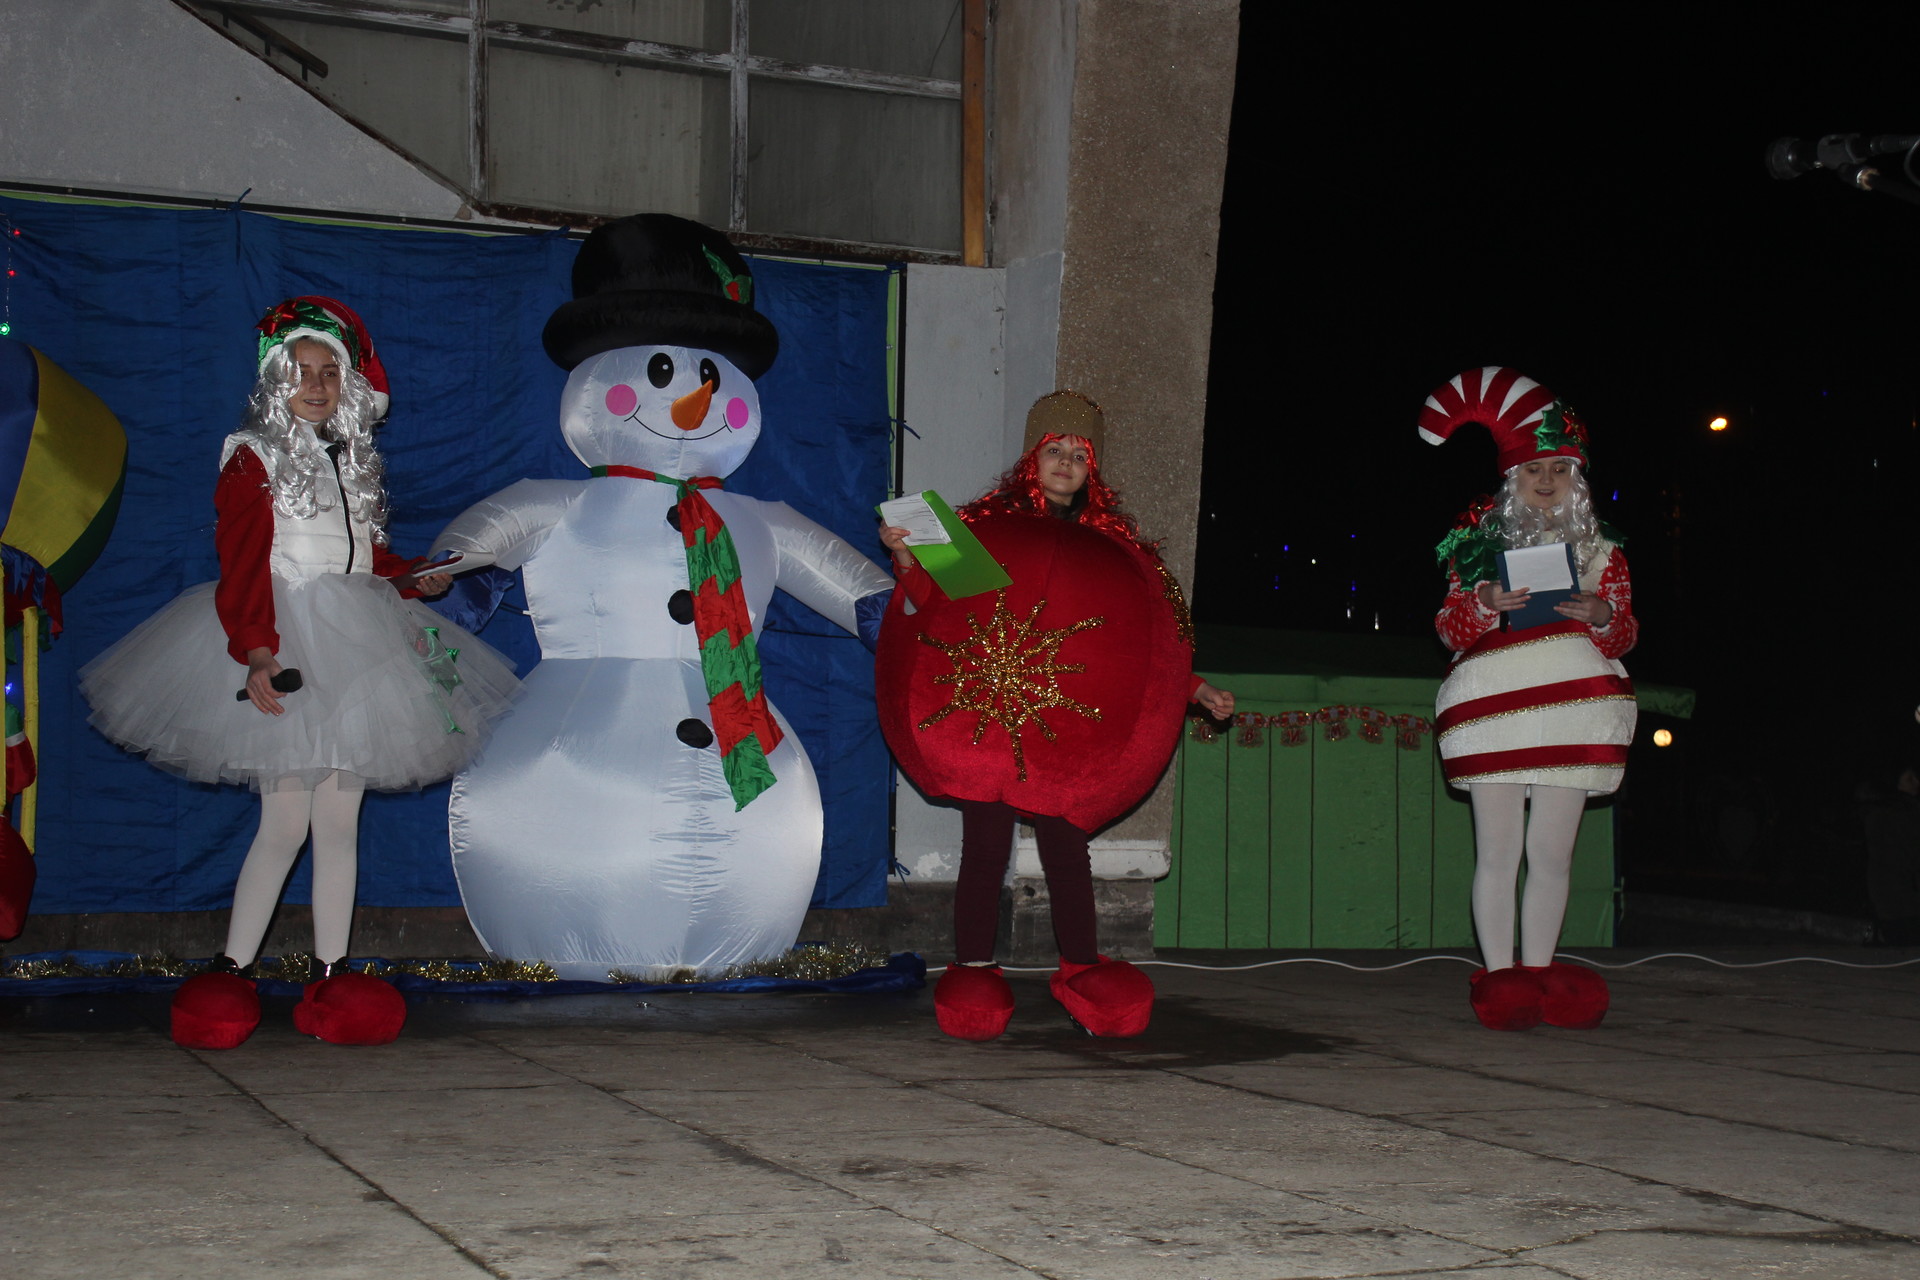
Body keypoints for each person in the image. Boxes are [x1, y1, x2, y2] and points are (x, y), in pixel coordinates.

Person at [80, 296, 519, 1047]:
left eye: (328, 373)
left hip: (359, 640)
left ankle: (332, 969)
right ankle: (234, 966)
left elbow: (366, 561)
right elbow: (242, 567)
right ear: (274, 383)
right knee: (283, 821)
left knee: (339, 821)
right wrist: (256, 650)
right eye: (301, 373)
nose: (316, 386)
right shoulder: (253, 456)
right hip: (287, 642)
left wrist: (415, 579)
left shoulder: (352, 460)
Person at [880, 390, 1233, 1040]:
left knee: (1068, 851)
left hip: (1067, 731)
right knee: (986, 850)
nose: (1066, 462)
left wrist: (1197, 690)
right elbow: (932, 600)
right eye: (1055, 450)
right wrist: (905, 554)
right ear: (1031, 457)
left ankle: (1081, 966)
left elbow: (1137, 654)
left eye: (1079, 454)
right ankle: (975, 968)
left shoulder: (1120, 553)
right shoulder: (987, 531)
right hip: (988, 715)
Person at [1420, 366, 1636, 1031]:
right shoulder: (1477, 546)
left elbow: (1625, 632)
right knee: (1498, 849)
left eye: (1560, 470)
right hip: (1494, 711)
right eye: (1534, 470)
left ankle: (1540, 971)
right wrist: (1485, 602)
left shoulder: (1604, 553)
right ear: (1513, 480)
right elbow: (1447, 627)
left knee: (1552, 853)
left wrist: (1600, 611)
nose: (1547, 481)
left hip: (1572, 709)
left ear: (1579, 480)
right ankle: (1502, 973)